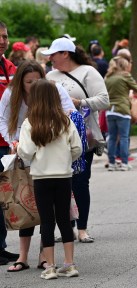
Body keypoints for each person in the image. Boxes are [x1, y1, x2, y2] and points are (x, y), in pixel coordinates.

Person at [0, 61, 82, 272]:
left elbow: (26, 152)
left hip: (39, 174)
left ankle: (50, 265)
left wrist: (22, 149)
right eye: (28, 81)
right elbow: (77, 148)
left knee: (46, 220)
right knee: (63, 219)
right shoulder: (65, 121)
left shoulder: (30, 123)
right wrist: (65, 160)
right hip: (64, 175)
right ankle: (69, 264)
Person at [43, 37, 110, 243]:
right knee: (61, 185)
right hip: (56, 138)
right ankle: (67, 228)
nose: (50, 59)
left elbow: (104, 100)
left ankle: (82, 228)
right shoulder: (49, 75)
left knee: (80, 182)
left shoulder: (88, 72)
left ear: (65, 54)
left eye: (53, 54)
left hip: (83, 136)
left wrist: (79, 102)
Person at [105, 56, 137, 171]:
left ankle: (111, 163)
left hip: (110, 111)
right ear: (124, 66)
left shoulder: (108, 77)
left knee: (112, 138)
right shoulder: (125, 76)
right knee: (123, 137)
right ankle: (124, 163)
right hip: (122, 110)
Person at [0, 20, 20, 265]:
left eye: (5, 36)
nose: (2, 41)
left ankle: (1, 246)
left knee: (3, 196)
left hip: (6, 141)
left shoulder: (10, 66)